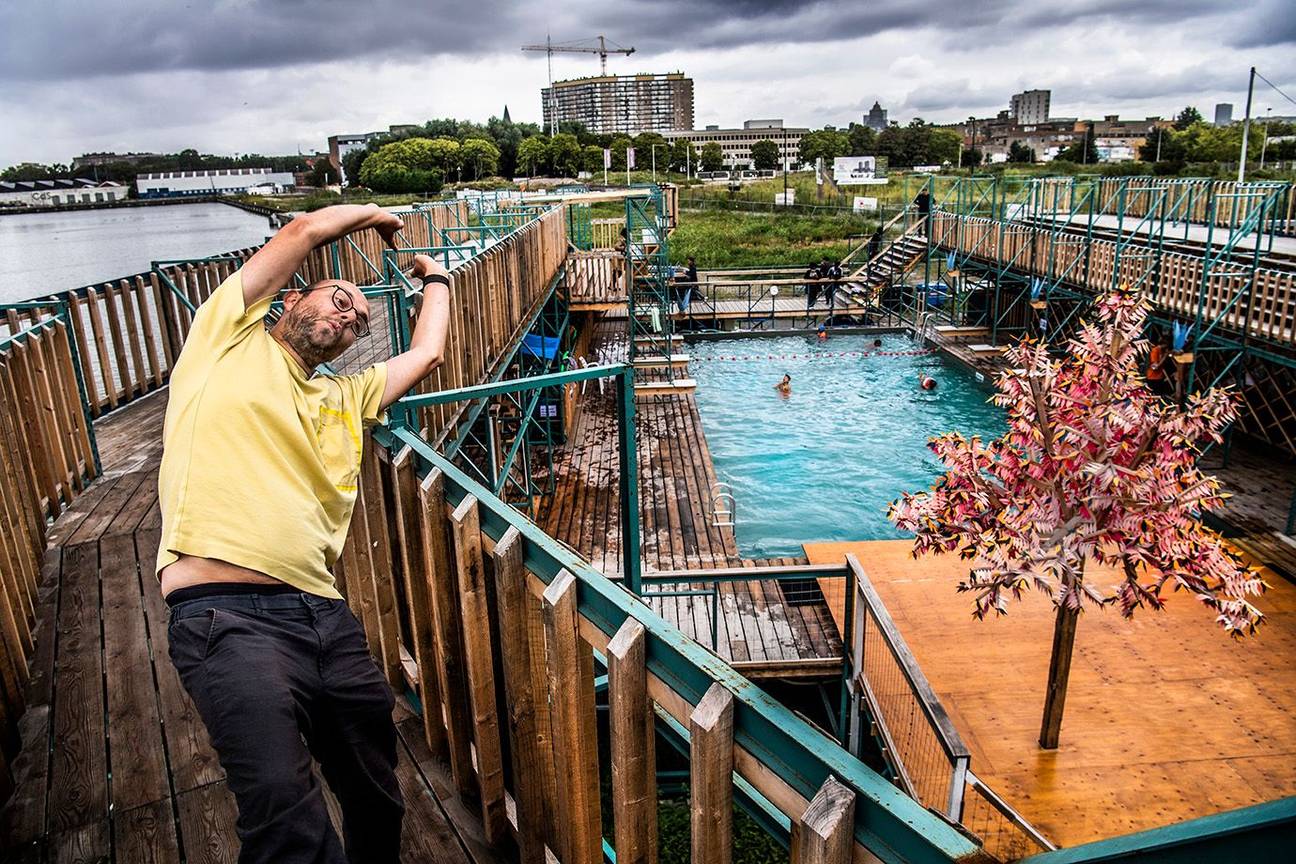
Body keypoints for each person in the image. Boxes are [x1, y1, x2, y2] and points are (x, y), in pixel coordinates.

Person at [157, 204, 454, 863]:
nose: (349, 315)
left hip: (325, 619)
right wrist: (374, 214)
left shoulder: (344, 397)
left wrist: (437, 277)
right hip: (225, 616)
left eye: (357, 319)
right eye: (339, 298)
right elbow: (301, 233)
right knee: (283, 815)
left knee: (377, 795)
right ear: (293, 297)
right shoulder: (224, 343)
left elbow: (428, 352)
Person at [1146, 329, 1172, 396]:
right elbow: (1155, 367)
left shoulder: (1161, 351)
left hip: (1159, 377)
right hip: (1153, 378)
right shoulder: (1155, 351)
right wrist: (1165, 357)